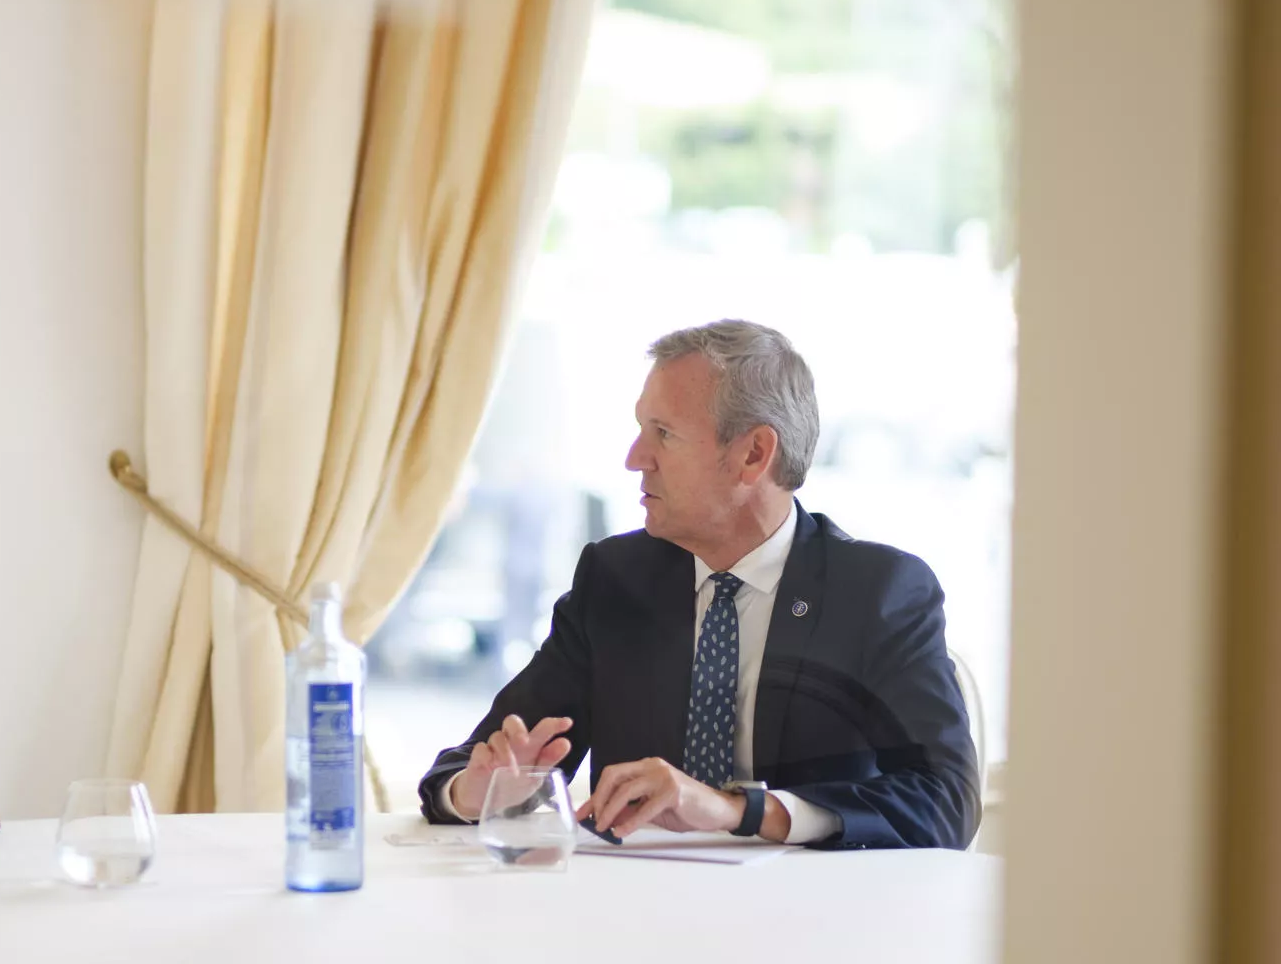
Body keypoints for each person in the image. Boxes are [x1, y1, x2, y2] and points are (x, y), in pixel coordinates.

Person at [417, 319, 979, 849]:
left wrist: (741, 811)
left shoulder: (877, 593)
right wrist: (477, 791)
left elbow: (947, 799)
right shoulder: (614, 580)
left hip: (813, 924)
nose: (635, 458)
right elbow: (478, 762)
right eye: (641, 430)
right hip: (631, 920)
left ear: (753, 455)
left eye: (663, 434)